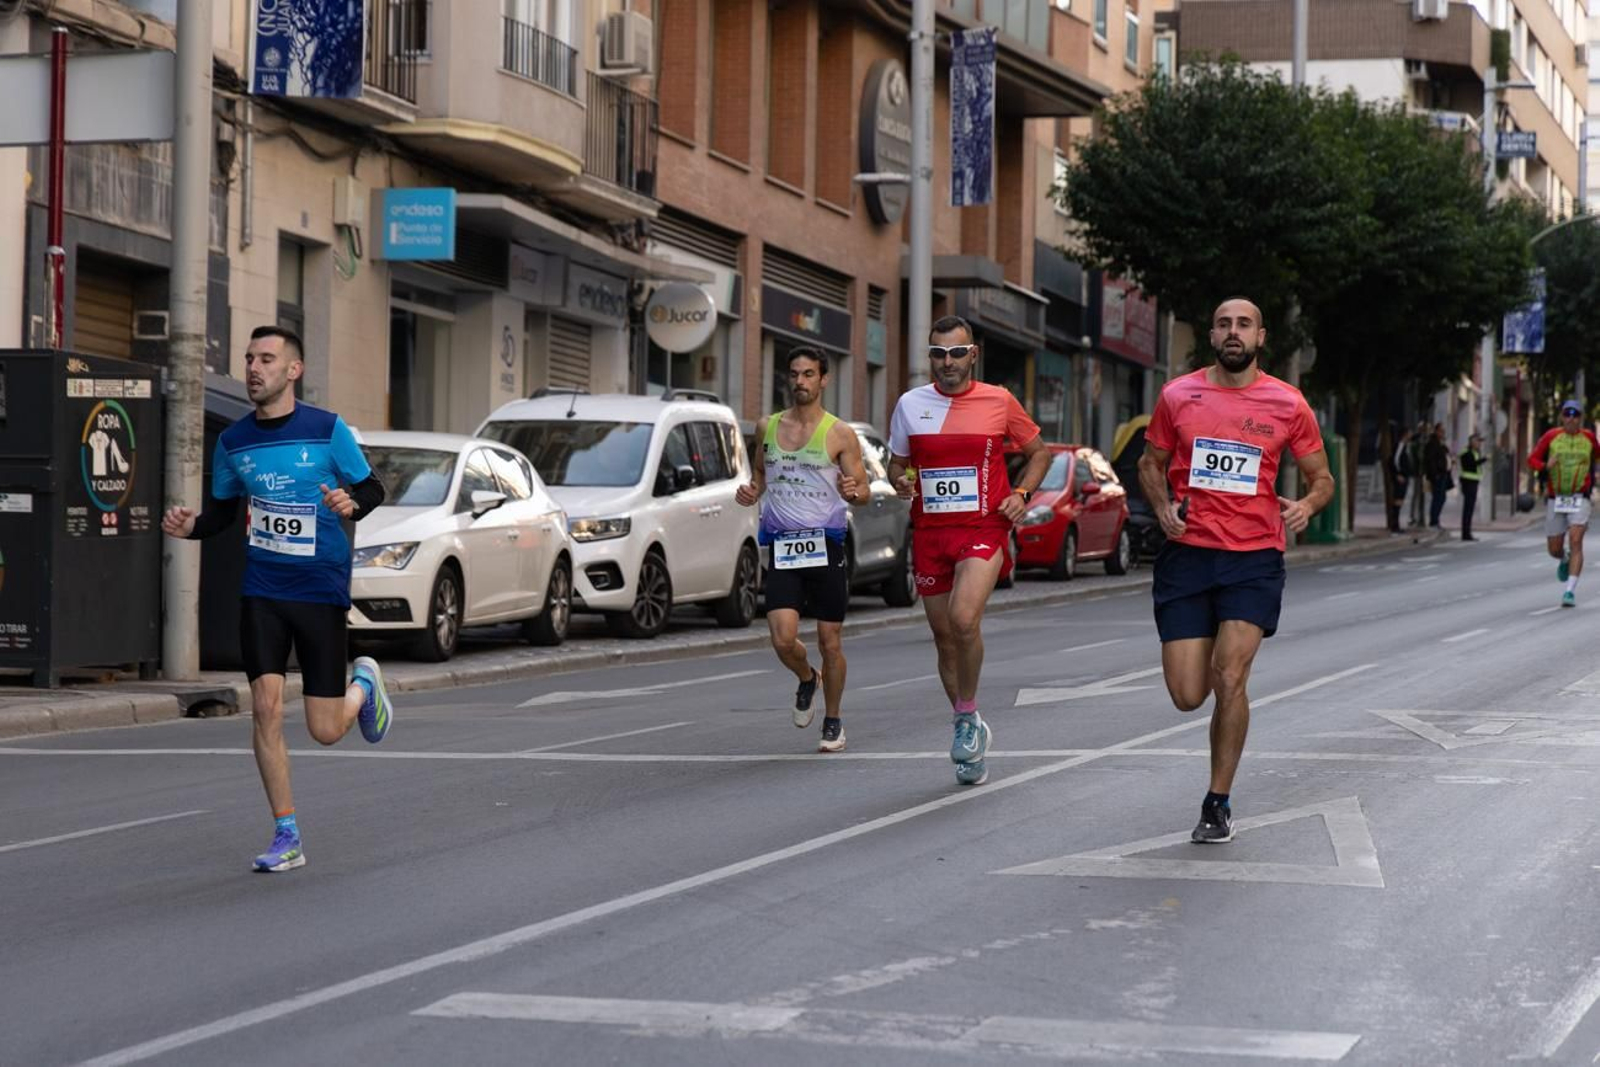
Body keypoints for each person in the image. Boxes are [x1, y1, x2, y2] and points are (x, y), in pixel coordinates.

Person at [161, 326, 393, 872]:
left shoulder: (326, 429)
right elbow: (221, 514)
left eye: (267, 358)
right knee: (264, 707)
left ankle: (363, 686)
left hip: (319, 589)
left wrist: (348, 504)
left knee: (325, 730)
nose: (253, 368)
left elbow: (372, 489)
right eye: (248, 358)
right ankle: (286, 834)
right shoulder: (233, 442)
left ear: (294, 370)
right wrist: (191, 525)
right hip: (262, 589)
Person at [1138, 298, 1334, 843]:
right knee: (1186, 694)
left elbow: (1322, 478)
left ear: (1260, 337)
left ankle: (1217, 802)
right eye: (1223, 323)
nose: (1233, 332)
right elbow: (1149, 464)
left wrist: (1306, 506)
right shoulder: (1178, 395)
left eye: (1243, 324)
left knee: (1230, 676)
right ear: (1212, 333)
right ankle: (1216, 785)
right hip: (1188, 554)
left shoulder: (1288, 402)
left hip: (1253, 557)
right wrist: (1161, 507)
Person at [888, 315, 1049, 787]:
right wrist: (900, 479)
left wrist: (1021, 494)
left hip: (983, 526)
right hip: (930, 532)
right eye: (938, 353)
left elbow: (1039, 453)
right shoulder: (910, 404)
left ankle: (966, 714)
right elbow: (898, 463)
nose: (947, 362)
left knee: (963, 619)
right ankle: (969, 723)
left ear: (972, 354)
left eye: (957, 353)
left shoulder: (999, 400)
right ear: (929, 357)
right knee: (943, 637)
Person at [735, 347, 870, 752]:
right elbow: (760, 472)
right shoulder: (767, 427)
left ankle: (833, 721)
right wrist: (752, 490)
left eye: (809, 374)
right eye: (794, 374)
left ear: (823, 380)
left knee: (831, 641)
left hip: (826, 546)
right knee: (781, 639)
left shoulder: (839, 433)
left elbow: (861, 491)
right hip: (784, 546)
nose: (800, 381)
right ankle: (807, 678)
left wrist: (855, 491)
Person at [1527, 399, 1600, 608]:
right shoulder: (1551, 437)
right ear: (1561, 416)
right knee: (1554, 548)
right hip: (1556, 498)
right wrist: (1544, 465)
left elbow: (1598, 454)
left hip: (1580, 497)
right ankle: (1564, 557)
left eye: (1575, 414)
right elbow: (1531, 460)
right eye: (1567, 414)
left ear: (1581, 418)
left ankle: (1569, 591)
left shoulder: (1589, 438)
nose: (1571, 418)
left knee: (1576, 539)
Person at [1458, 432, 1484, 541]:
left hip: (1473, 481)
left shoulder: (1474, 452)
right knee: (1468, 509)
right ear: (1472, 442)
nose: (1479, 444)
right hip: (1468, 482)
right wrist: (1483, 460)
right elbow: (1471, 465)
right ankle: (1465, 533)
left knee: (1470, 508)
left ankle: (1467, 532)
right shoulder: (1466, 452)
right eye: (1477, 441)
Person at [1424, 423, 1451, 529]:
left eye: (1443, 431)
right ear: (1436, 431)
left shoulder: (1441, 444)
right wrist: (1435, 474)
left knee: (1442, 497)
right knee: (1438, 497)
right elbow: (1430, 461)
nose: (1443, 433)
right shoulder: (1432, 444)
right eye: (1441, 431)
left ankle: (1436, 519)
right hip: (1438, 475)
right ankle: (1434, 521)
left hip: (1443, 474)